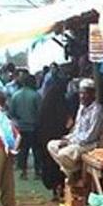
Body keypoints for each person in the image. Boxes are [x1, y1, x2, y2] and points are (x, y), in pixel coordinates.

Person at [47, 77, 103, 188]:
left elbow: (90, 136)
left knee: (63, 154)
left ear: (93, 94)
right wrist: (67, 139)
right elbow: (77, 129)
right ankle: (73, 171)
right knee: (51, 145)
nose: (82, 96)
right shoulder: (81, 108)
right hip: (78, 141)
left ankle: (73, 173)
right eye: (81, 93)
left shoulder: (97, 110)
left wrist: (70, 142)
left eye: (86, 93)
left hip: (91, 144)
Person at [37, 65, 70, 198]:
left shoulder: (46, 104)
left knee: (49, 164)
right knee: (58, 166)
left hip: (46, 138)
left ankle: (55, 190)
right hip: (57, 137)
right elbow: (64, 122)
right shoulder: (61, 102)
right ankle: (60, 188)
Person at [7, 70, 41, 180]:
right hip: (34, 127)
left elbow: (11, 112)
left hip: (21, 127)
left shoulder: (15, 95)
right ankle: (37, 172)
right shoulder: (36, 95)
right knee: (36, 150)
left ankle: (23, 172)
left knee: (23, 150)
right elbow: (40, 111)